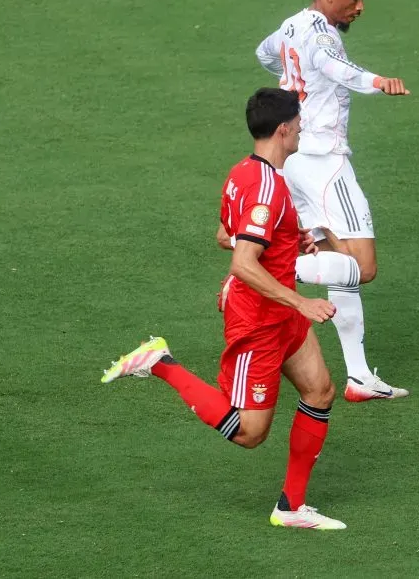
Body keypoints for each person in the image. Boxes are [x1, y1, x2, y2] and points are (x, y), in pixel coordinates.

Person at [101, 88, 347, 530]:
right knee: (250, 433)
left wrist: (287, 241)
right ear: (283, 129)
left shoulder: (243, 173)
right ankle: (160, 362)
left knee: (320, 391)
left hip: (280, 311)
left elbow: (225, 235)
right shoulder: (267, 188)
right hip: (259, 319)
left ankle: (291, 507)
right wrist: (303, 301)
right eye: (298, 122)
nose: (302, 128)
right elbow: (243, 263)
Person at [254, 0, 411, 402]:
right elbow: (334, 66)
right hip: (325, 162)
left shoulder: (291, 25)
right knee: (361, 266)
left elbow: (265, 53)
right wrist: (378, 81)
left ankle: (359, 377)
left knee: (333, 259)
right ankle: (256, 274)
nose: (359, 7)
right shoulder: (322, 34)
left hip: (295, 159)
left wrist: (293, 80)